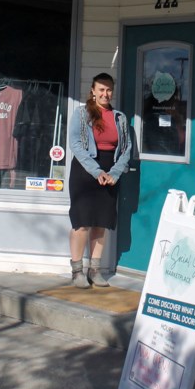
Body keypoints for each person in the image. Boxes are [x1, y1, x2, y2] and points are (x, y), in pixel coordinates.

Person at [66, 72, 132, 288]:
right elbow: (75, 144)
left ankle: (95, 270)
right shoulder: (82, 113)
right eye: (101, 89)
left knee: (101, 223)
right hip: (85, 170)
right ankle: (77, 271)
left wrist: (114, 173)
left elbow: (126, 148)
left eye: (109, 89)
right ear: (93, 91)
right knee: (82, 222)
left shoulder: (120, 117)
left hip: (110, 171)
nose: (105, 93)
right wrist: (97, 172)